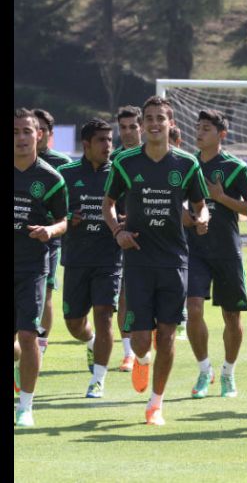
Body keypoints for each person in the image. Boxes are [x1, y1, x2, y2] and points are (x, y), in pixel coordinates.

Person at [102, 95, 209, 425]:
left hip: (175, 259)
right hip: (137, 258)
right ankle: (141, 359)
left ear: (170, 123)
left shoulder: (187, 164)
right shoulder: (125, 163)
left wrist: (203, 217)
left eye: (160, 118)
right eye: (148, 118)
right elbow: (107, 204)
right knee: (141, 338)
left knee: (166, 334)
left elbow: (200, 203)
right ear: (143, 123)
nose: (153, 124)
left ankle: (156, 403)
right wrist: (117, 231)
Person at [183, 110, 247, 398]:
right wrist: (187, 218)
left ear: (221, 135)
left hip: (226, 250)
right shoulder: (186, 165)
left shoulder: (236, 168)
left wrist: (221, 198)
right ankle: (204, 371)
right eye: (198, 128)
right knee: (193, 309)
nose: (199, 133)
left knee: (232, 317)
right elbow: (174, 200)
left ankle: (228, 373)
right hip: (193, 251)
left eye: (206, 128)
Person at [57, 119, 124, 398]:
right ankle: (91, 341)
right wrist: (67, 219)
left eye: (110, 140)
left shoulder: (121, 173)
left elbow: (134, 208)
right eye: (101, 141)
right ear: (86, 144)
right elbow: (52, 212)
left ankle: (98, 379)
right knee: (73, 322)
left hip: (109, 257)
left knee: (104, 316)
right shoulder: (65, 174)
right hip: (76, 257)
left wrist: (126, 219)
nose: (108, 146)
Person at [14, 108, 68, 426]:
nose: (21, 137)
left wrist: (50, 230)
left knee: (28, 334)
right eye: (15, 131)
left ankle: (26, 407)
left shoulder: (51, 179)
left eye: (26, 131)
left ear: (39, 135)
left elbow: (64, 221)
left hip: (32, 267)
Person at [32, 108, 73, 357]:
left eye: (41, 130)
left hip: (50, 239)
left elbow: (71, 204)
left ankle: (41, 344)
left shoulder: (63, 164)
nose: (35, 136)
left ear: (48, 133)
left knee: (46, 290)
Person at [111, 105, 143, 372]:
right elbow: (108, 200)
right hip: (124, 236)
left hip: (159, 237)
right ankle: (128, 353)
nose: (128, 132)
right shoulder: (115, 160)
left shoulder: (160, 155)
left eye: (133, 126)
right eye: (123, 128)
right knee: (124, 295)